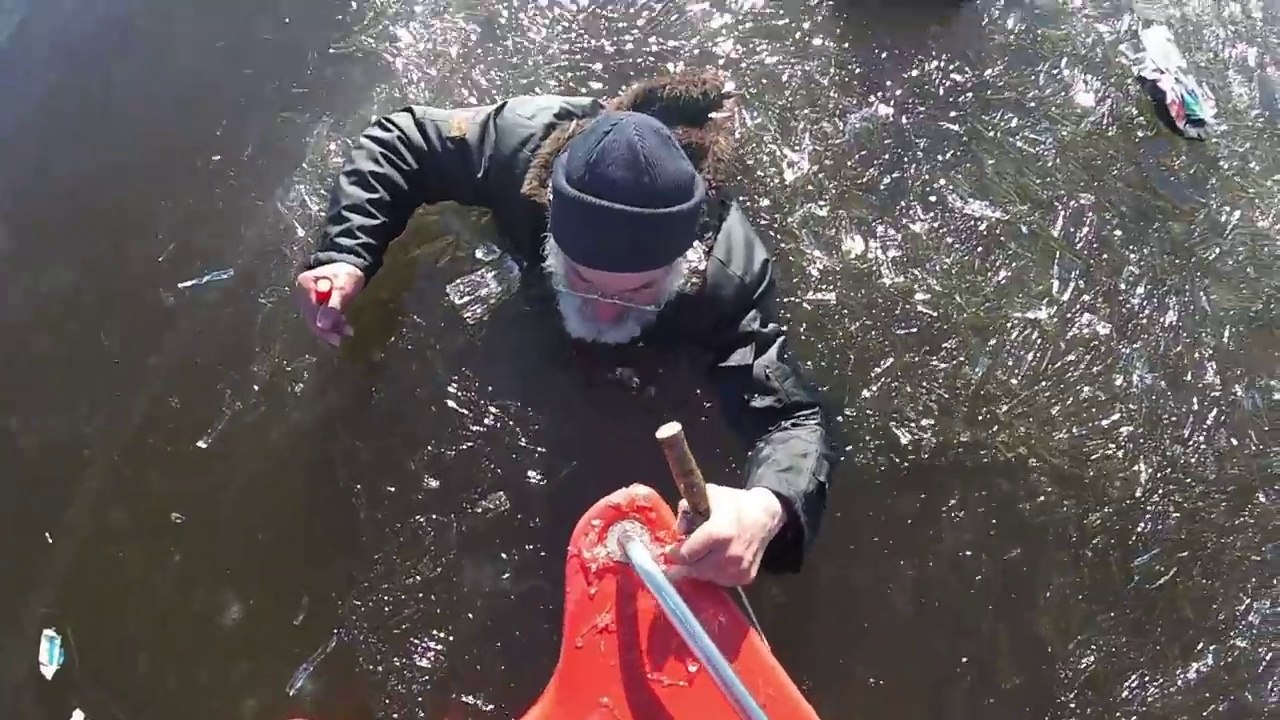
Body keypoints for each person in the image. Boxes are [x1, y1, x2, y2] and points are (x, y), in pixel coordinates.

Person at [295, 69, 836, 587]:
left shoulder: (728, 277)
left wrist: (768, 508)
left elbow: (793, 418)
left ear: (681, 266)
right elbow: (402, 138)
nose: (601, 313)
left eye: (638, 292)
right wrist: (346, 254)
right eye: (580, 279)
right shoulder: (524, 149)